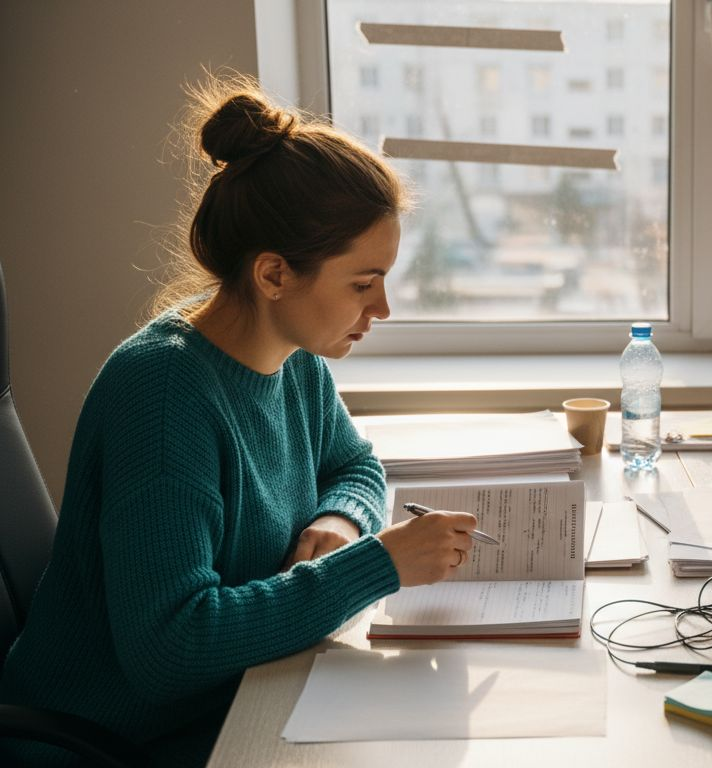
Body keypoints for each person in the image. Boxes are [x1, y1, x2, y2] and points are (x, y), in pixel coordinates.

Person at [0, 78, 475, 766]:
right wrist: (376, 565)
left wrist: (340, 520)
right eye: (363, 284)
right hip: (119, 738)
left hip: (239, 693)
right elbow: (171, 647)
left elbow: (355, 465)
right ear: (275, 274)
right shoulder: (163, 399)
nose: (384, 310)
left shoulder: (291, 352)